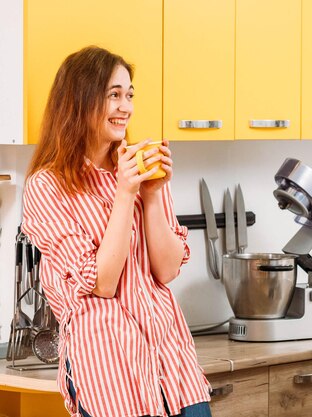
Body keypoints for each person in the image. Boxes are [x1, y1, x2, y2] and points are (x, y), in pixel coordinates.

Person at [22, 46, 212, 417]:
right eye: (114, 95)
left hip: (173, 364)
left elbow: (167, 270)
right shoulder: (47, 187)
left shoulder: (138, 168)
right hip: (109, 372)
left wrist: (153, 195)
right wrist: (126, 195)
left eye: (129, 95)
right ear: (80, 101)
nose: (126, 107)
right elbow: (103, 283)